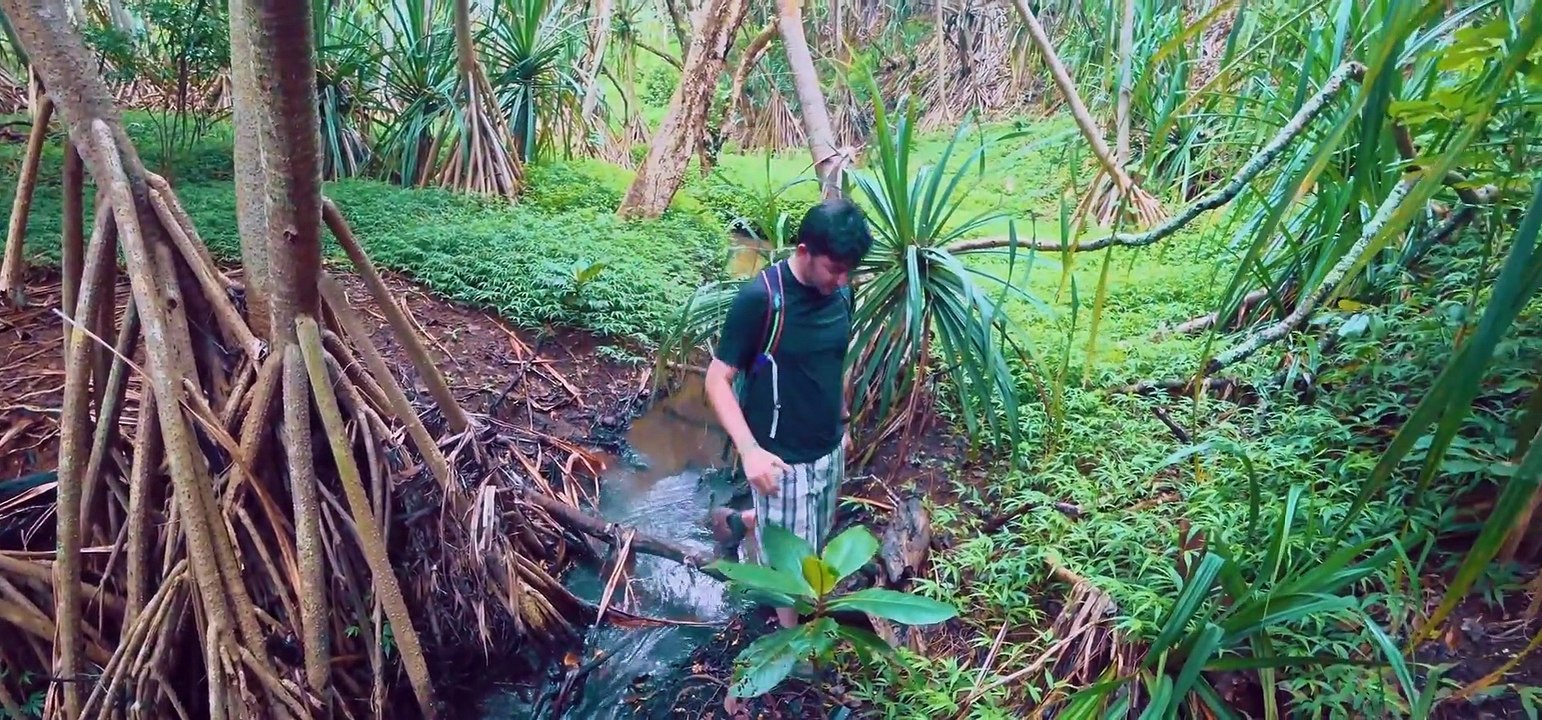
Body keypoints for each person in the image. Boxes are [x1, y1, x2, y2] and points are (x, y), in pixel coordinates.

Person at [705, 197, 874, 631]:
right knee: (795, 569)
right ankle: (792, 639)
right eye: (833, 269)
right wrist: (750, 452)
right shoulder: (762, 299)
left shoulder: (842, 294)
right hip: (780, 458)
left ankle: (745, 522)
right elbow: (716, 380)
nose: (841, 280)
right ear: (803, 252)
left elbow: (832, 361)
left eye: (848, 271)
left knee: (813, 533)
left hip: (828, 447)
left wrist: (844, 422)